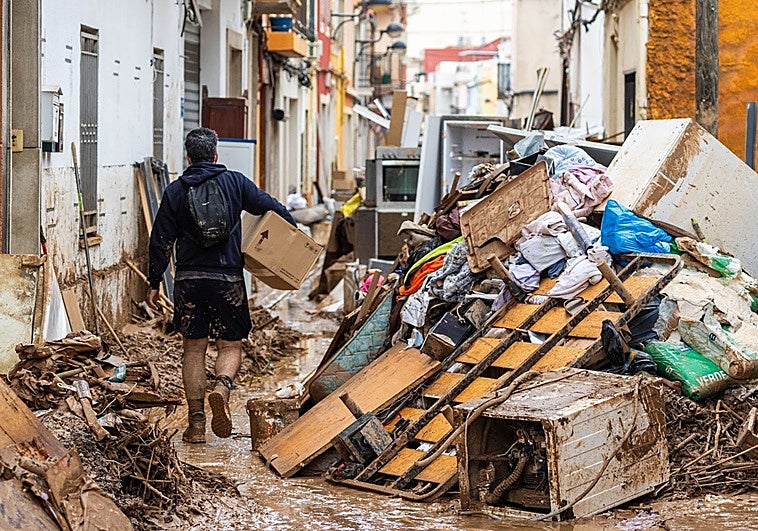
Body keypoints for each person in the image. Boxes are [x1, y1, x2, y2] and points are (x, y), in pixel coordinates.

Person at [147, 127, 296, 443]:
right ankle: (222, 387)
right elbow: (272, 207)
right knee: (230, 346)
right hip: (227, 278)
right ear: (215, 155)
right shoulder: (236, 183)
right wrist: (291, 235)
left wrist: (154, 280)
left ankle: (197, 424)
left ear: (188, 157)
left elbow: (160, 240)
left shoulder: (175, 191)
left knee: (194, 348)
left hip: (188, 280)